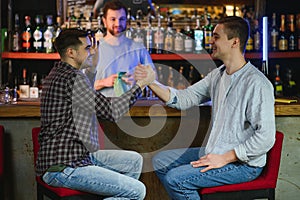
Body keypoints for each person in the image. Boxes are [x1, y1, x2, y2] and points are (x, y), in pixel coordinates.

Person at [136, 16, 276, 199]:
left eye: (216, 37)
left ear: (235, 42)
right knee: (161, 161)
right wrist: (151, 82)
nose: (211, 41)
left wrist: (225, 158)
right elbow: (184, 98)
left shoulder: (257, 83)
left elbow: (265, 137)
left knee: (175, 179)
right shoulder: (217, 76)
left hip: (243, 165)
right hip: (216, 151)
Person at [36, 28, 155, 199]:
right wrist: (141, 84)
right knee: (137, 190)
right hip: (65, 167)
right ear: (71, 52)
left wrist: (92, 68)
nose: (92, 51)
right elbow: (112, 111)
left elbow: (84, 97)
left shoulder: (62, 72)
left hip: (75, 156)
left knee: (133, 161)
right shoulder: (72, 78)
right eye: (87, 48)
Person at [94, 0, 156, 97]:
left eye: (122, 19)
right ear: (104, 21)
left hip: (133, 109)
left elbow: (153, 79)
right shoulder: (94, 49)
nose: (118, 24)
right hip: (102, 109)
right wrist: (104, 82)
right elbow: (81, 86)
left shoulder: (138, 48)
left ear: (126, 21)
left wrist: (138, 79)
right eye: (113, 19)